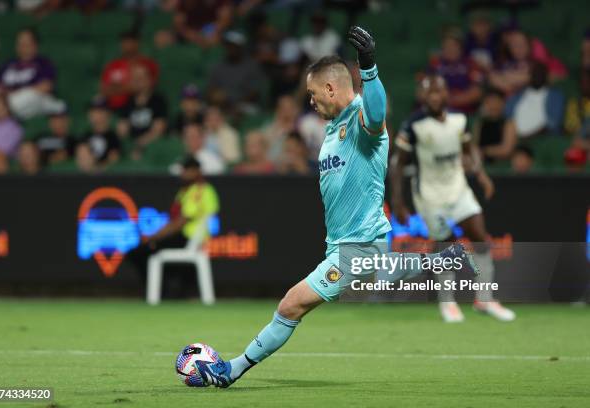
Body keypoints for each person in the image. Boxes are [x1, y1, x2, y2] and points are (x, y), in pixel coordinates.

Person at [195, 27, 479, 388]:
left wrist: (369, 68)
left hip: (355, 245)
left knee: (290, 305)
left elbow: (376, 115)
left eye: (313, 95)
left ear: (330, 88)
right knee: (381, 273)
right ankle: (443, 259)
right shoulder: (332, 131)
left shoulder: (362, 116)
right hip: (351, 241)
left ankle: (229, 371)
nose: (311, 102)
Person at [391, 74, 515, 323]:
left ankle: (485, 299)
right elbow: (397, 163)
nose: (434, 96)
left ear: (446, 94)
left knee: (480, 236)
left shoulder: (460, 120)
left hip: (458, 189)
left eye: (438, 91)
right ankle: (447, 303)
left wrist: (481, 175)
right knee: (445, 245)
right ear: (422, 96)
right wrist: (397, 201)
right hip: (430, 196)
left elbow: (470, 150)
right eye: (429, 92)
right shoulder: (412, 125)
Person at [128, 156, 219, 287]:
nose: (182, 173)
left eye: (185, 170)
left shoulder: (197, 192)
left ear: (195, 171)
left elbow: (179, 223)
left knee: (140, 252)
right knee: (143, 252)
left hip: (188, 238)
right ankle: (161, 290)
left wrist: (152, 237)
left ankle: (160, 291)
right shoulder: (190, 191)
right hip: (187, 238)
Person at [0, 29, 64, 119]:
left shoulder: (43, 63)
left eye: (26, 42)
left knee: (29, 96)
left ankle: (1, 110)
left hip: (35, 99)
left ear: (35, 45)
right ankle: (4, 110)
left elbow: (46, 87)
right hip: (11, 102)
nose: (22, 46)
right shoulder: (8, 64)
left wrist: (16, 93)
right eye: (20, 43)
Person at [116, 64, 168, 160]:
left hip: (152, 146)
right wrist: (131, 146)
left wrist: (140, 145)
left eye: (141, 77)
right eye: (135, 78)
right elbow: (122, 130)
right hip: (131, 146)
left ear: (149, 80)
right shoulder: (128, 102)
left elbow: (158, 130)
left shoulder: (158, 101)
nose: (138, 81)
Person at [207, 31, 265, 115]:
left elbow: (254, 92)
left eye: (234, 46)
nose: (231, 49)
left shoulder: (252, 66)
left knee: (249, 110)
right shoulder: (218, 66)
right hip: (221, 104)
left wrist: (236, 104)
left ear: (240, 47)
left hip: (244, 104)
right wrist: (217, 97)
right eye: (229, 45)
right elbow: (211, 90)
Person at [100, 31, 159, 111]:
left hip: (138, 107)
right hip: (113, 108)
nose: (127, 45)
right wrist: (131, 87)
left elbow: (148, 86)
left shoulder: (148, 64)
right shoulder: (113, 65)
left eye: (130, 42)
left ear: (137, 43)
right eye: (124, 42)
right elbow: (104, 89)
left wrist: (117, 87)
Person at [428, 29, 483, 113]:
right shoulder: (435, 64)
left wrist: (453, 100)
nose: (450, 49)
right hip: (438, 110)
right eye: (446, 46)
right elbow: (423, 91)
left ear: (460, 47)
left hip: (464, 111)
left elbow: (477, 92)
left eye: (453, 45)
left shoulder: (471, 64)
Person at [505, 62, 565, 139]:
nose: (537, 76)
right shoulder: (519, 94)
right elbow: (507, 114)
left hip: (543, 137)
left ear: (546, 76)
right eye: (535, 73)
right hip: (516, 137)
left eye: (541, 73)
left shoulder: (555, 95)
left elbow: (554, 122)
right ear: (530, 76)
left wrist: (530, 135)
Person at [154, 0, 233, 49]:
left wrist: (206, 31)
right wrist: (189, 34)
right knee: (161, 37)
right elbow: (178, 23)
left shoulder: (219, 2)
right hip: (188, 32)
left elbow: (224, 20)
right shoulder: (185, 2)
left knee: (212, 39)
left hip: (209, 31)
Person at [18, 109, 76, 174]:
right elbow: (29, 148)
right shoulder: (41, 138)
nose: (57, 123)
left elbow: (63, 157)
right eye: (53, 120)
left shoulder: (72, 141)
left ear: (67, 121)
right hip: (36, 166)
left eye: (59, 120)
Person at [75, 98, 121, 173]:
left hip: (105, 176)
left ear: (107, 113)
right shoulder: (85, 135)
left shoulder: (112, 136)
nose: (94, 115)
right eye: (92, 111)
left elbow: (113, 159)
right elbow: (80, 158)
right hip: (86, 174)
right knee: (82, 149)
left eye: (99, 111)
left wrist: (98, 170)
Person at [474, 89, 517, 162]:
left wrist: (485, 151)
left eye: (496, 101)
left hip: (501, 163)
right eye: (489, 102)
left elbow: (506, 150)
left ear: (503, 103)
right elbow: (474, 145)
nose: (493, 105)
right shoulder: (480, 123)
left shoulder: (509, 123)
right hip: (480, 161)